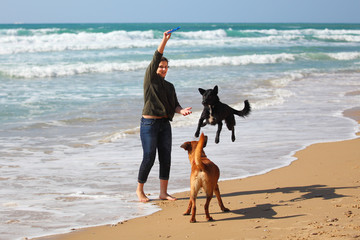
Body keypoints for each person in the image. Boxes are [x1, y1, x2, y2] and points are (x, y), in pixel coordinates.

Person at [136, 30, 192, 202]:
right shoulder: (150, 80)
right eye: (160, 66)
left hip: (164, 125)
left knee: (165, 158)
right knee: (149, 157)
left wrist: (181, 110)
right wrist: (164, 40)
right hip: (149, 125)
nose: (163, 69)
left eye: (165, 67)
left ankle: (163, 193)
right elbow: (156, 56)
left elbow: (174, 104)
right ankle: (140, 190)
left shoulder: (170, 86)